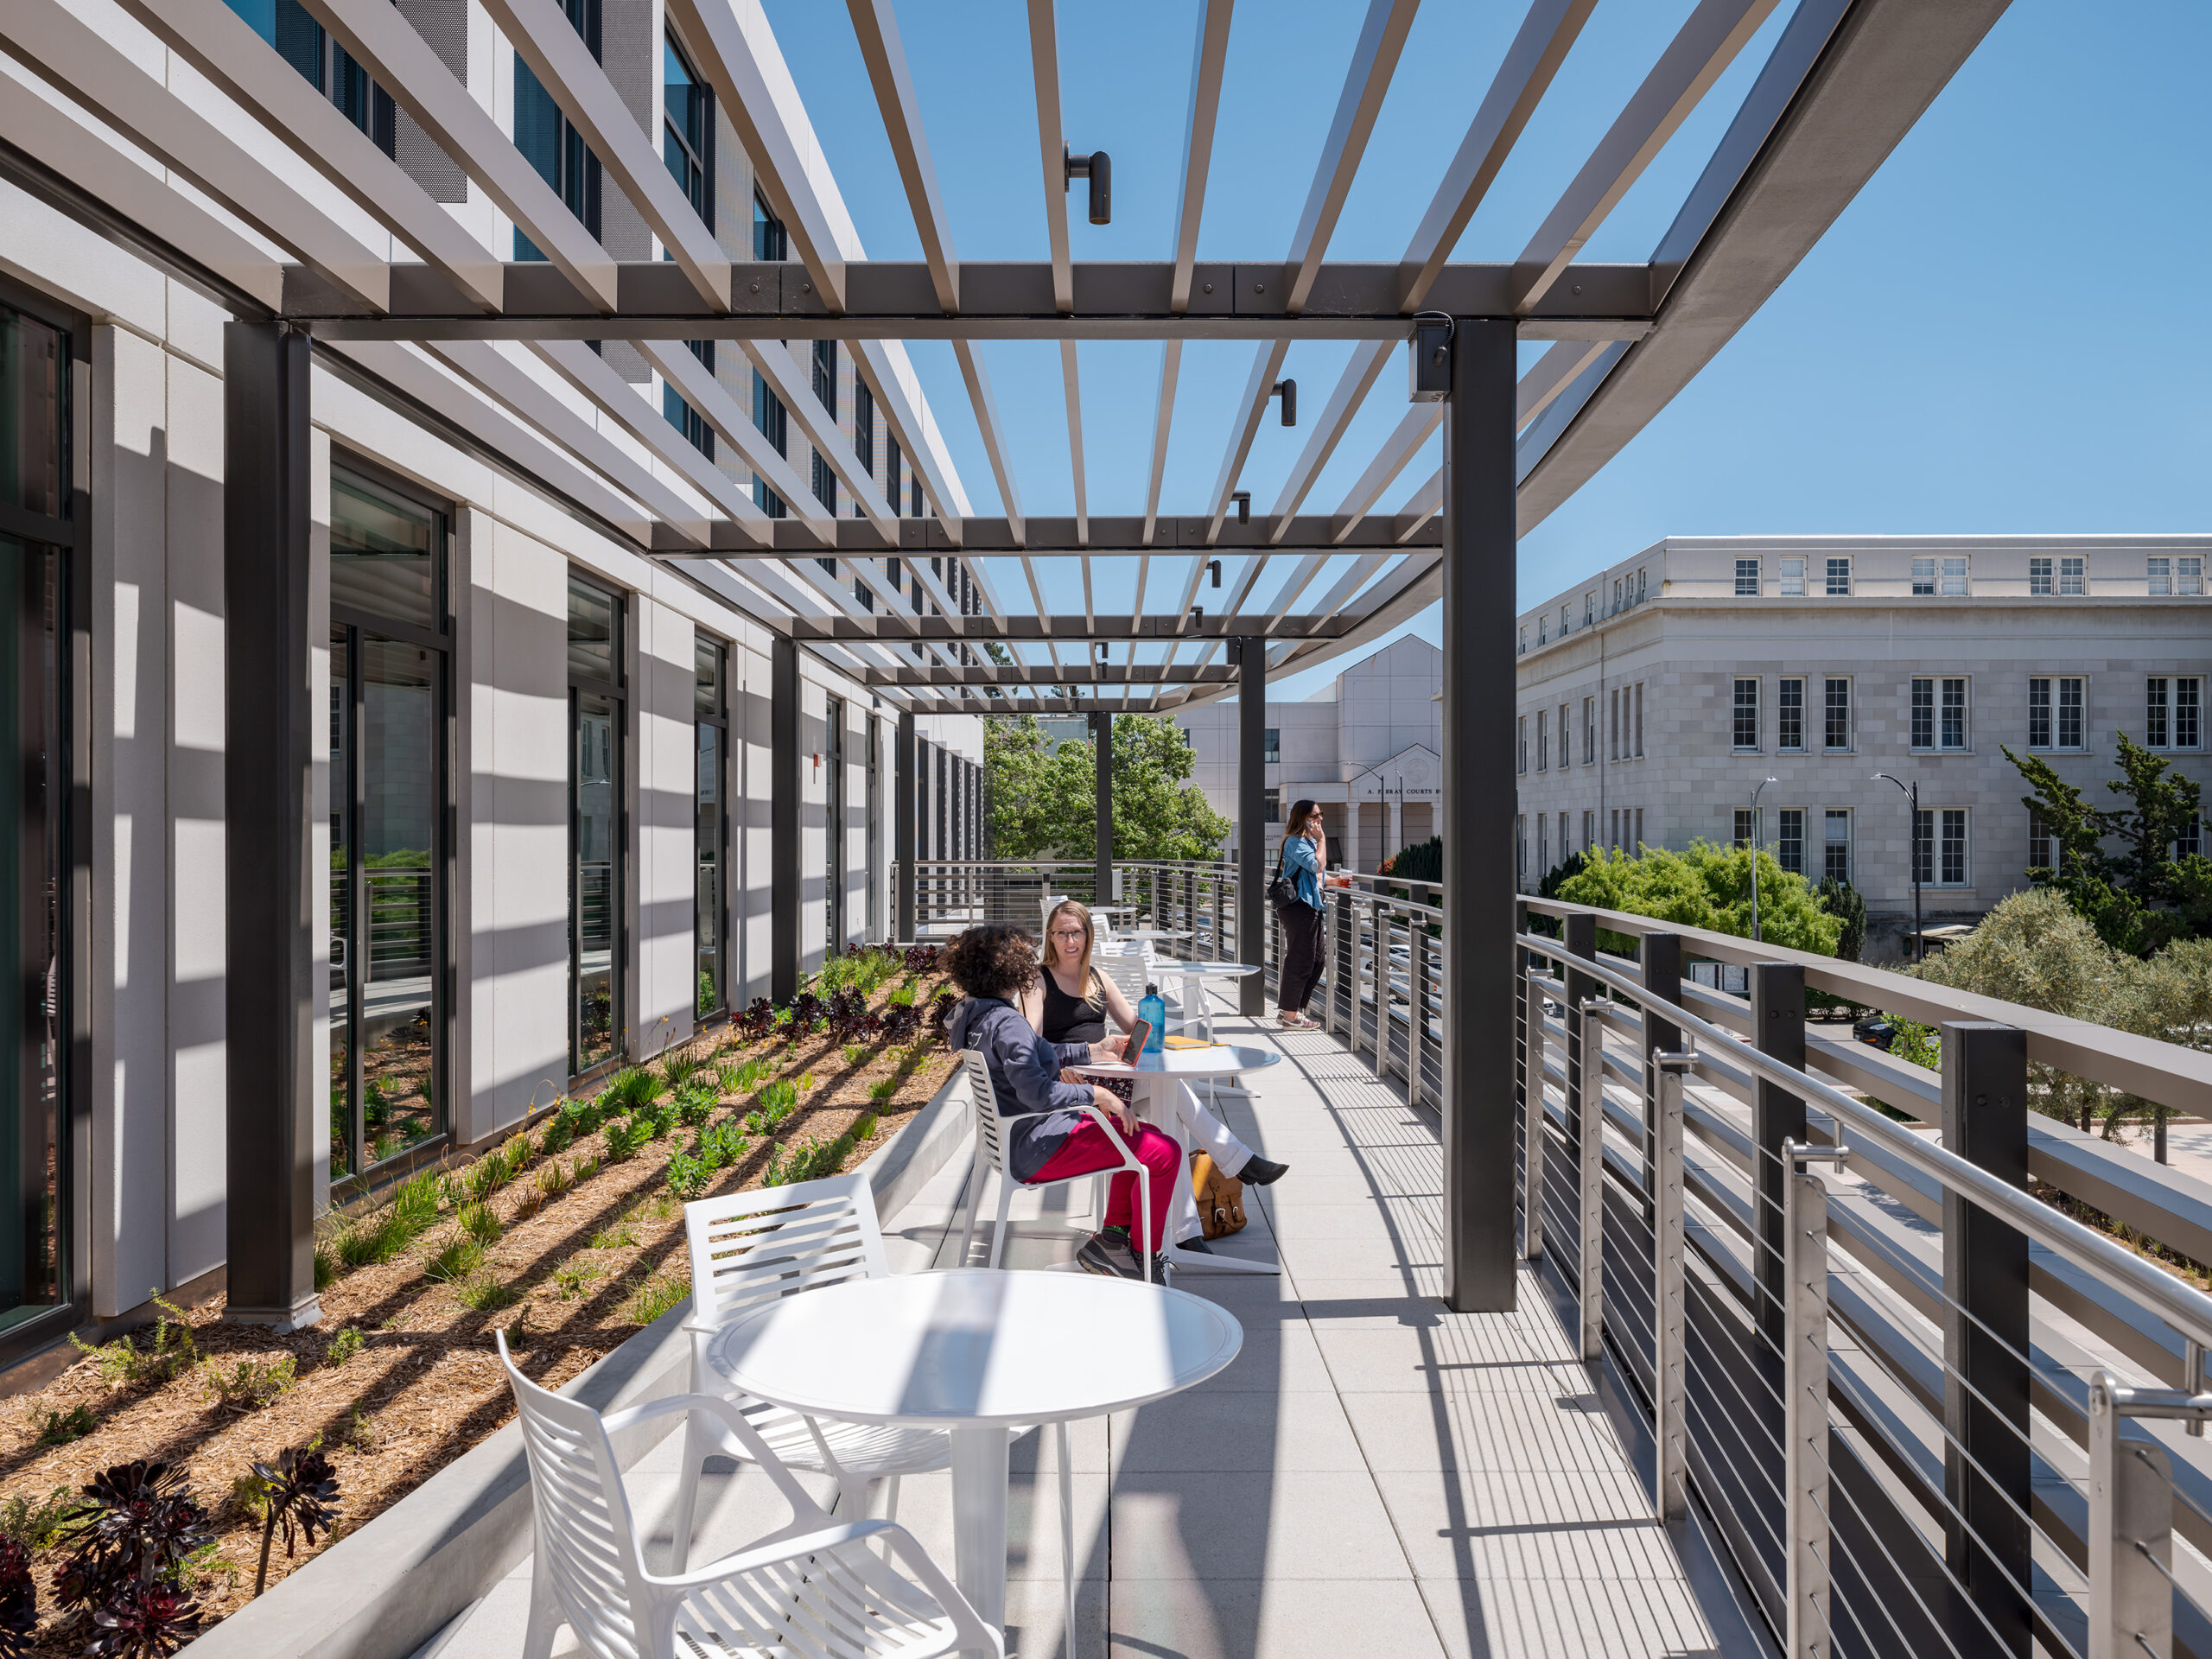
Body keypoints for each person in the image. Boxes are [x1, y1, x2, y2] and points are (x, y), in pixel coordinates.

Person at [1020, 901, 1287, 1249]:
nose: (1070, 941)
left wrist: (1148, 1031)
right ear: (1050, 937)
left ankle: (1189, 1228)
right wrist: (1063, 1064)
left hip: (1111, 1079)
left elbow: (1136, 1028)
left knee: (1170, 1100)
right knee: (1171, 1100)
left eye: (1077, 932)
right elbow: (1030, 1045)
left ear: (1088, 935)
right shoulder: (1037, 980)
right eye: (1061, 933)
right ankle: (1231, 1172)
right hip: (1076, 1088)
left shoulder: (1098, 978)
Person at [942, 923, 1180, 1281]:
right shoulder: (1008, 1023)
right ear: (1010, 969)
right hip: (1039, 1147)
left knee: (1141, 1133)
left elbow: (1032, 1054)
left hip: (1019, 1140)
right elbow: (1038, 1093)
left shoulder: (977, 1015)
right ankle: (1146, 1262)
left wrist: (1093, 1050)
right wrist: (1098, 1094)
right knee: (1165, 1153)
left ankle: (1113, 1242)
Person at [1273, 799, 1346, 1027]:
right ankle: (1289, 1015)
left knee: (1317, 960)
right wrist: (1322, 839)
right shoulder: (1294, 842)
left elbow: (1314, 875)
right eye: (1315, 816)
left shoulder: (1308, 841)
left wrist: (1334, 881)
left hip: (1311, 905)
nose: (1320, 819)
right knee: (1300, 959)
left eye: (1320, 814)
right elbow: (1317, 866)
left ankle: (1292, 1010)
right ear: (1302, 818)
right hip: (1298, 907)